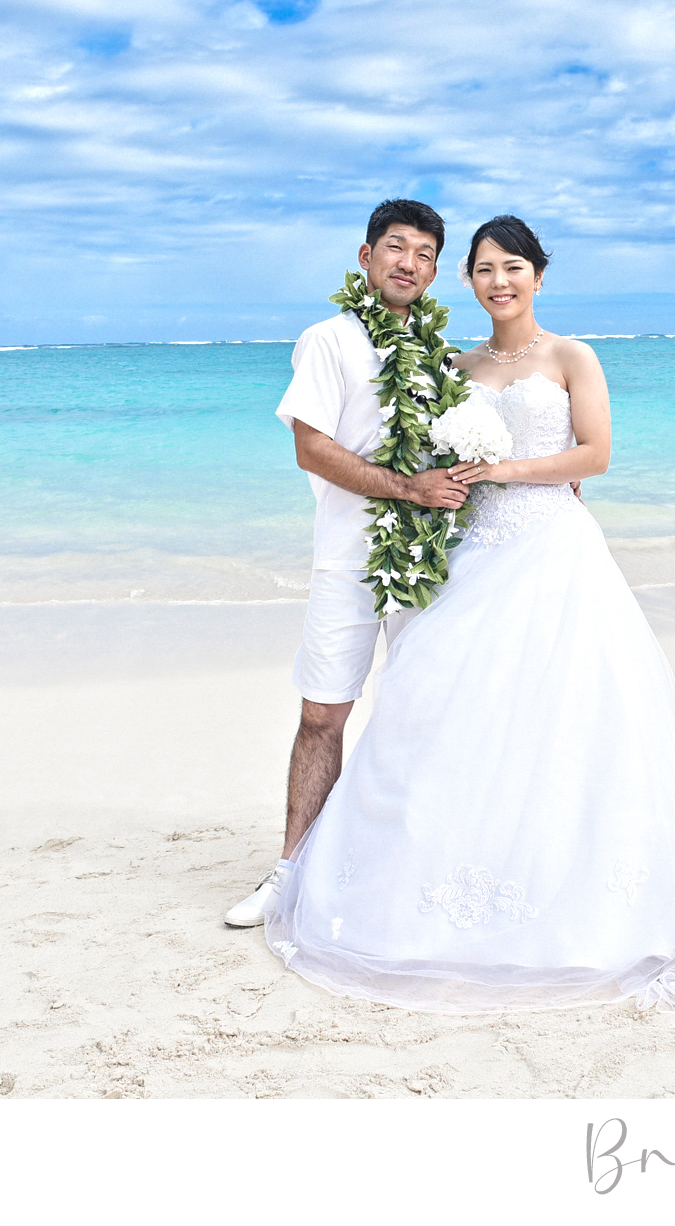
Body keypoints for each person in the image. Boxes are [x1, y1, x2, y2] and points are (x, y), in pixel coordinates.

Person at [261, 215, 675, 1017]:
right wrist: (444, 487)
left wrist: (512, 470)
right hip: (477, 555)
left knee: (567, 714)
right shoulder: (454, 365)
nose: (499, 282)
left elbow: (595, 454)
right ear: (468, 281)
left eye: (513, 267)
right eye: (484, 269)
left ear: (538, 276)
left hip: (554, 553)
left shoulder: (571, 357)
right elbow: (424, 458)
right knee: (449, 711)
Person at [223, 199, 470, 928]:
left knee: (424, 713)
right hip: (349, 559)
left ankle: (405, 867)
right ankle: (291, 872)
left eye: (424, 254)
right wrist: (405, 487)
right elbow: (312, 447)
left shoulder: (436, 353)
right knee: (324, 713)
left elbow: (468, 436)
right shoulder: (329, 340)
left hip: (429, 564)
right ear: (365, 257)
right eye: (395, 247)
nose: (409, 263)